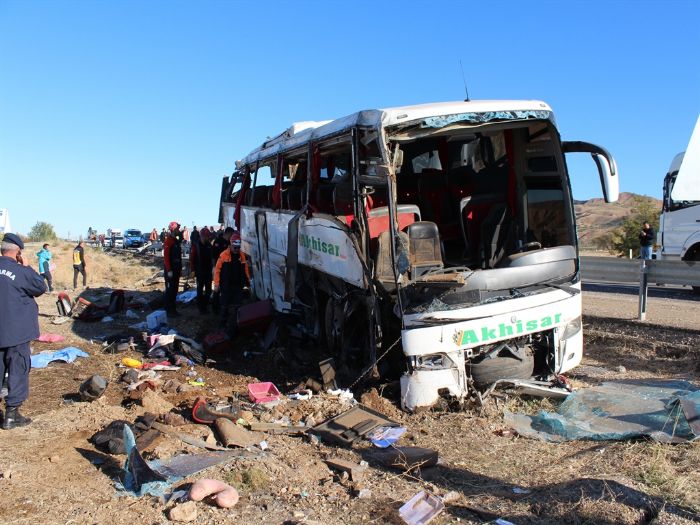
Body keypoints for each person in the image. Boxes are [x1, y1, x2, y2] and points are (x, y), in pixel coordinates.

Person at [0, 233, 46, 429]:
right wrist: (26, 266)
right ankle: (12, 414)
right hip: (17, 331)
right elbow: (40, 286)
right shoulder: (20, 271)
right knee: (18, 368)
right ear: (18, 252)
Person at [213, 233, 248, 331]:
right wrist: (216, 284)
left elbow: (245, 270)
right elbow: (217, 270)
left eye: (238, 247)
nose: (237, 250)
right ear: (231, 245)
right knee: (224, 306)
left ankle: (237, 326)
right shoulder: (223, 255)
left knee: (238, 306)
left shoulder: (242, 256)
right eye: (235, 248)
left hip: (238, 285)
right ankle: (222, 325)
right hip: (226, 286)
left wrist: (248, 282)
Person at [211, 227, 234, 313]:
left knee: (225, 288)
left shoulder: (229, 242)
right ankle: (215, 307)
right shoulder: (218, 242)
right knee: (217, 288)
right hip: (218, 268)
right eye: (231, 234)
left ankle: (224, 306)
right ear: (228, 233)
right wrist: (214, 267)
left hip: (227, 269)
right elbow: (213, 256)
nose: (232, 236)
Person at [163, 221, 183, 316]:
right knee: (170, 290)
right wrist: (169, 270)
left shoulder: (176, 241)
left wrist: (180, 269)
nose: (178, 230)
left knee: (175, 290)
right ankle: (168, 310)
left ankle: (173, 309)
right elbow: (166, 257)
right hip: (170, 270)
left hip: (176, 269)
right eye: (177, 229)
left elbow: (179, 257)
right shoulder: (168, 241)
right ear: (173, 230)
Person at [192, 227, 214, 313]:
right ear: (202, 236)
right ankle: (201, 308)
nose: (208, 238)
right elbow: (192, 258)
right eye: (206, 236)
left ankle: (205, 304)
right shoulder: (196, 245)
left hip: (208, 271)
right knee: (200, 290)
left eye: (208, 236)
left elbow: (212, 257)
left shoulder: (209, 245)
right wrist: (193, 270)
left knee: (208, 290)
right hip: (199, 271)